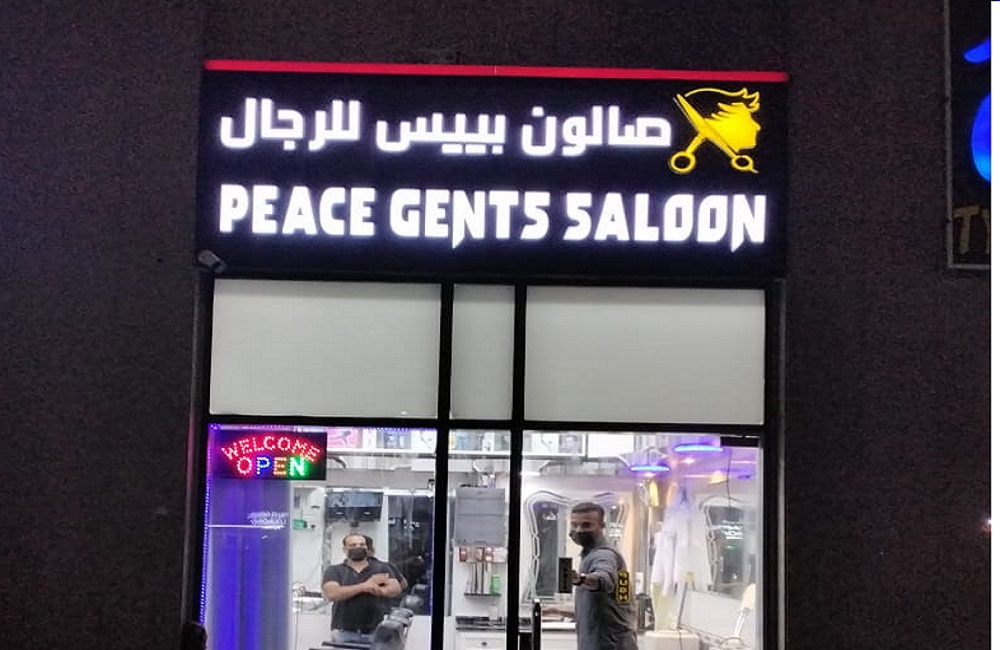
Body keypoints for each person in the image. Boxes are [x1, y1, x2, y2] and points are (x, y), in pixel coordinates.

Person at [542, 501, 638, 650]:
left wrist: (580, 579)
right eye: (574, 525)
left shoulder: (604, 555)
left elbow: (603, 579)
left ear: (602, 526)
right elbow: (600, 610)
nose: (579, 530)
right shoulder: (591, 555)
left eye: (586, 525)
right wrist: (556, 610)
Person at [322, 533, 403, 645]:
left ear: (367, 547)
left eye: (362, 544)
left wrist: (380, 591)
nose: (358, 547)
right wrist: (365, 586)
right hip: (343, 632)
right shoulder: (334, 570)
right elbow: (332, 593)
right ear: (344, 549)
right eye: (353, 545)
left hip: (376, 632)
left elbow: (395, 588)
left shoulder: (381, 568)